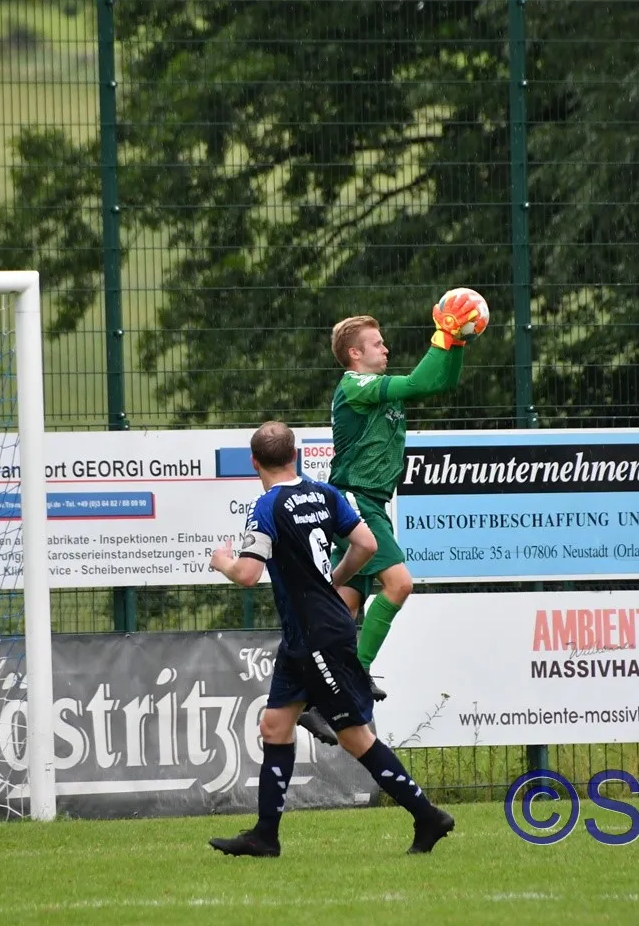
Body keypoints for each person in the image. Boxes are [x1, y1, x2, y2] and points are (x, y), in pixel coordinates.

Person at [206, 421, 456, 858]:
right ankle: (265, 836)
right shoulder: (324, 494)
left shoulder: (266, 506)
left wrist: (221, 561)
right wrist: (335, 580)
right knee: (274, 726)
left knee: (355, 737)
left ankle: (428, 816)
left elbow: (246, 574)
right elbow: (366, 543)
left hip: (317, 637)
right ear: (295, 455)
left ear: (254, 462)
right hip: (306, 635)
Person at [325, 295, 483, 689]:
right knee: (399, 584)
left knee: (344, 605)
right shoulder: (355, 384)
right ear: (355, 353)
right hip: (354, 499)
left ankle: (315, 691)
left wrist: (456, 342)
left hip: (369, 502)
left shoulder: (379, 388)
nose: (386, 349)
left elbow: (441, 382)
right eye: (377, 343)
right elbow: (419, 382)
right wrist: (442, 334)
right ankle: (354, 674)